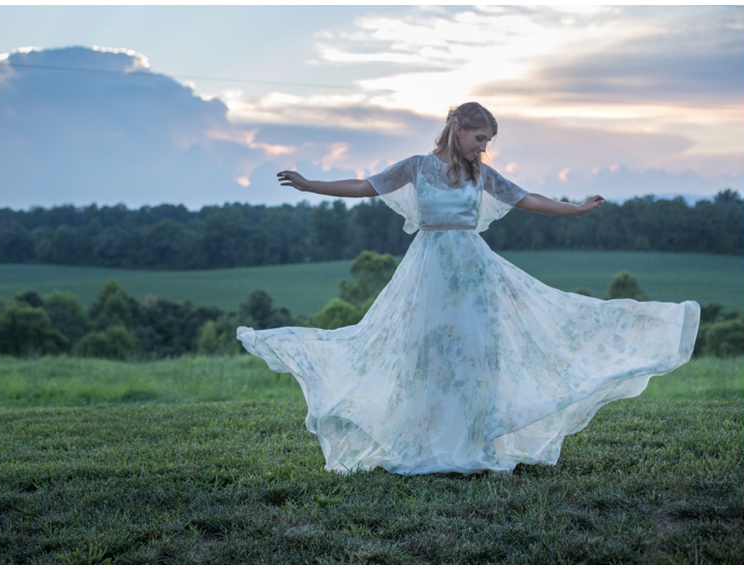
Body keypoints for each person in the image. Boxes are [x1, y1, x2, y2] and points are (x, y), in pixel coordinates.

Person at [237, 102, 699, 476]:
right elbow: (364, 185)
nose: (484, 146)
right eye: (480, 138)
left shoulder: (481, 174)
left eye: (489, 141)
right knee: (425, 350)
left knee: (476, 354)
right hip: (429, 269)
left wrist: (575, 210)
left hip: (473, 273)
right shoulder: (417, 167)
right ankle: (425, 440)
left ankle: (474, 442)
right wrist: (309, 184)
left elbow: (528, 198)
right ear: (458, 129)